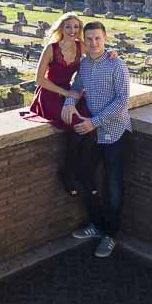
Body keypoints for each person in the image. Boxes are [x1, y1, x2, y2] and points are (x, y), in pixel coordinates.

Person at [62, 21, 132, 258]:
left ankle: (110, 235)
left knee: (113, 188)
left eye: (98, 39)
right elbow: (77, 87)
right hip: (93, 135)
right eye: (89, 39)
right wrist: (69, 102)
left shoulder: (117, 64)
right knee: (84, 178)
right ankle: (97, 224)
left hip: (115, 133)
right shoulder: (84, 64)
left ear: (105, 38)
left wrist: (95, 121)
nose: (93, 43)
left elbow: (123, 101)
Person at [20, 13, 110, 196]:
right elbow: (39, 80)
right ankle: (69, 173)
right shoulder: (51, 49)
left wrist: (111, 54)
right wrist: (66, 93)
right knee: (76, 123)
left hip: (70, 92)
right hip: (49, 94)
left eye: (76, 27)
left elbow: (98, 52)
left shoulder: (81, 46)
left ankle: (83, 171)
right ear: (61, 28)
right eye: (68, 26)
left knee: (89, 120)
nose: (73, 30)